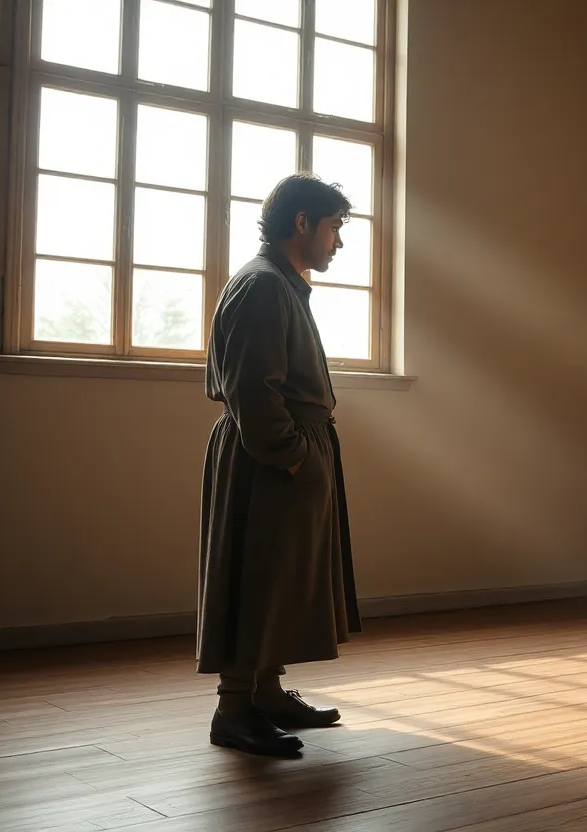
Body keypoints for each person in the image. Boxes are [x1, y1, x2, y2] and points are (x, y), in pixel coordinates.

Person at [197, 173, 361, 756]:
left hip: (282, 457)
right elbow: (252, 390)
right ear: (302, 223)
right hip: (268, 461)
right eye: (335, 226)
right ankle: (234, 707)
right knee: (260, 578)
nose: (339, 240)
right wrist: (292, 457)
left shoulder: (281, 283)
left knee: (282, 581)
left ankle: (264, 692)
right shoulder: (264, 287)